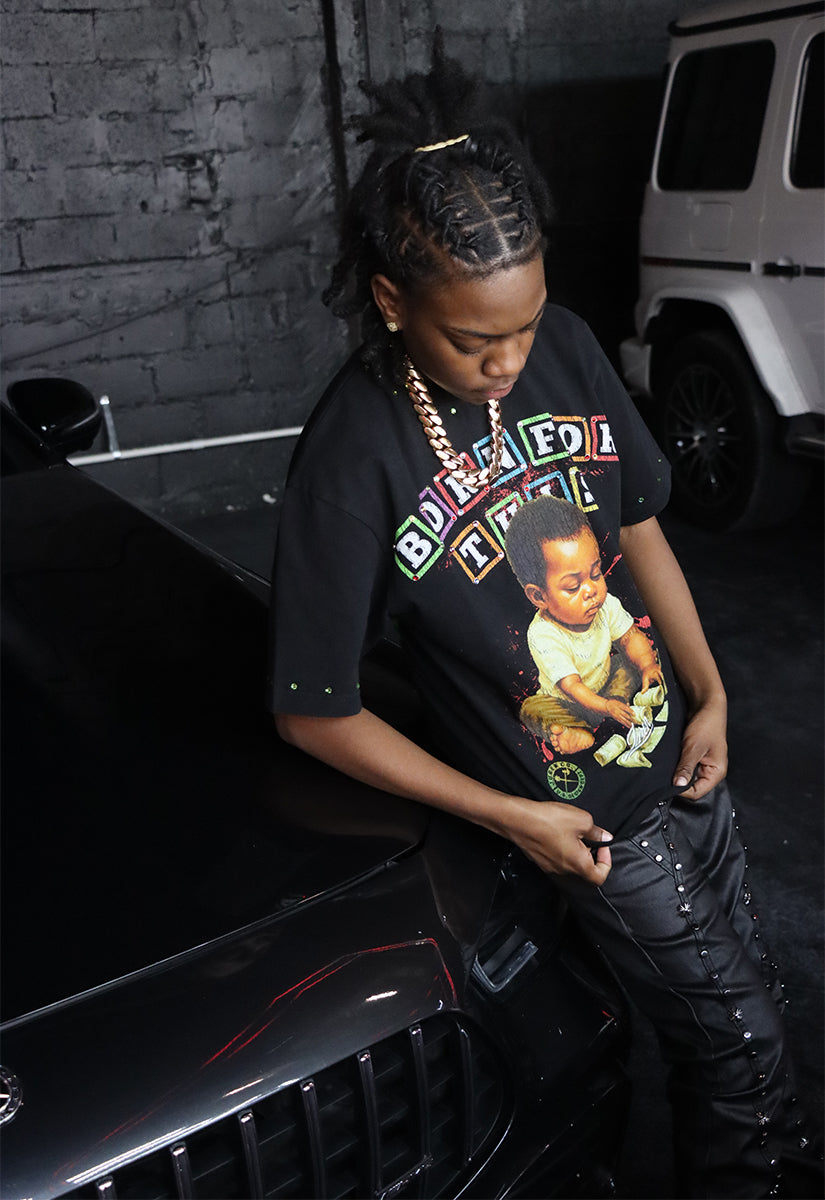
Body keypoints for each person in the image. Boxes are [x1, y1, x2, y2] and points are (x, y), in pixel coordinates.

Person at [267, 40, 818, 1198]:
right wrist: (512, 818)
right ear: (391, 301)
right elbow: (314, 711)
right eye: (474, 340)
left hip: (678, 760)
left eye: (522, 324)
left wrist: (712, 690)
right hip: (582, 823)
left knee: (728, 1019)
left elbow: (640, 524)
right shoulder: (353, 457)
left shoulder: (563, 348)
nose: (509, 362)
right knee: (746, 1048)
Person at [504, 492, 666, 757]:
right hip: (570, 704)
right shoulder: (543, 633)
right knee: (532, 708)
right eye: (573, 586)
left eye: (596, 573)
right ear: (539, 596)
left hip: (607, 687)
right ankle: (575, 731)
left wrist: (647, 664)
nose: (591, 590)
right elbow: (573, 687)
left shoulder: (604, 604)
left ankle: (619, 703)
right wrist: (605, 707)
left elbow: (630, 636)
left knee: (627, 662)